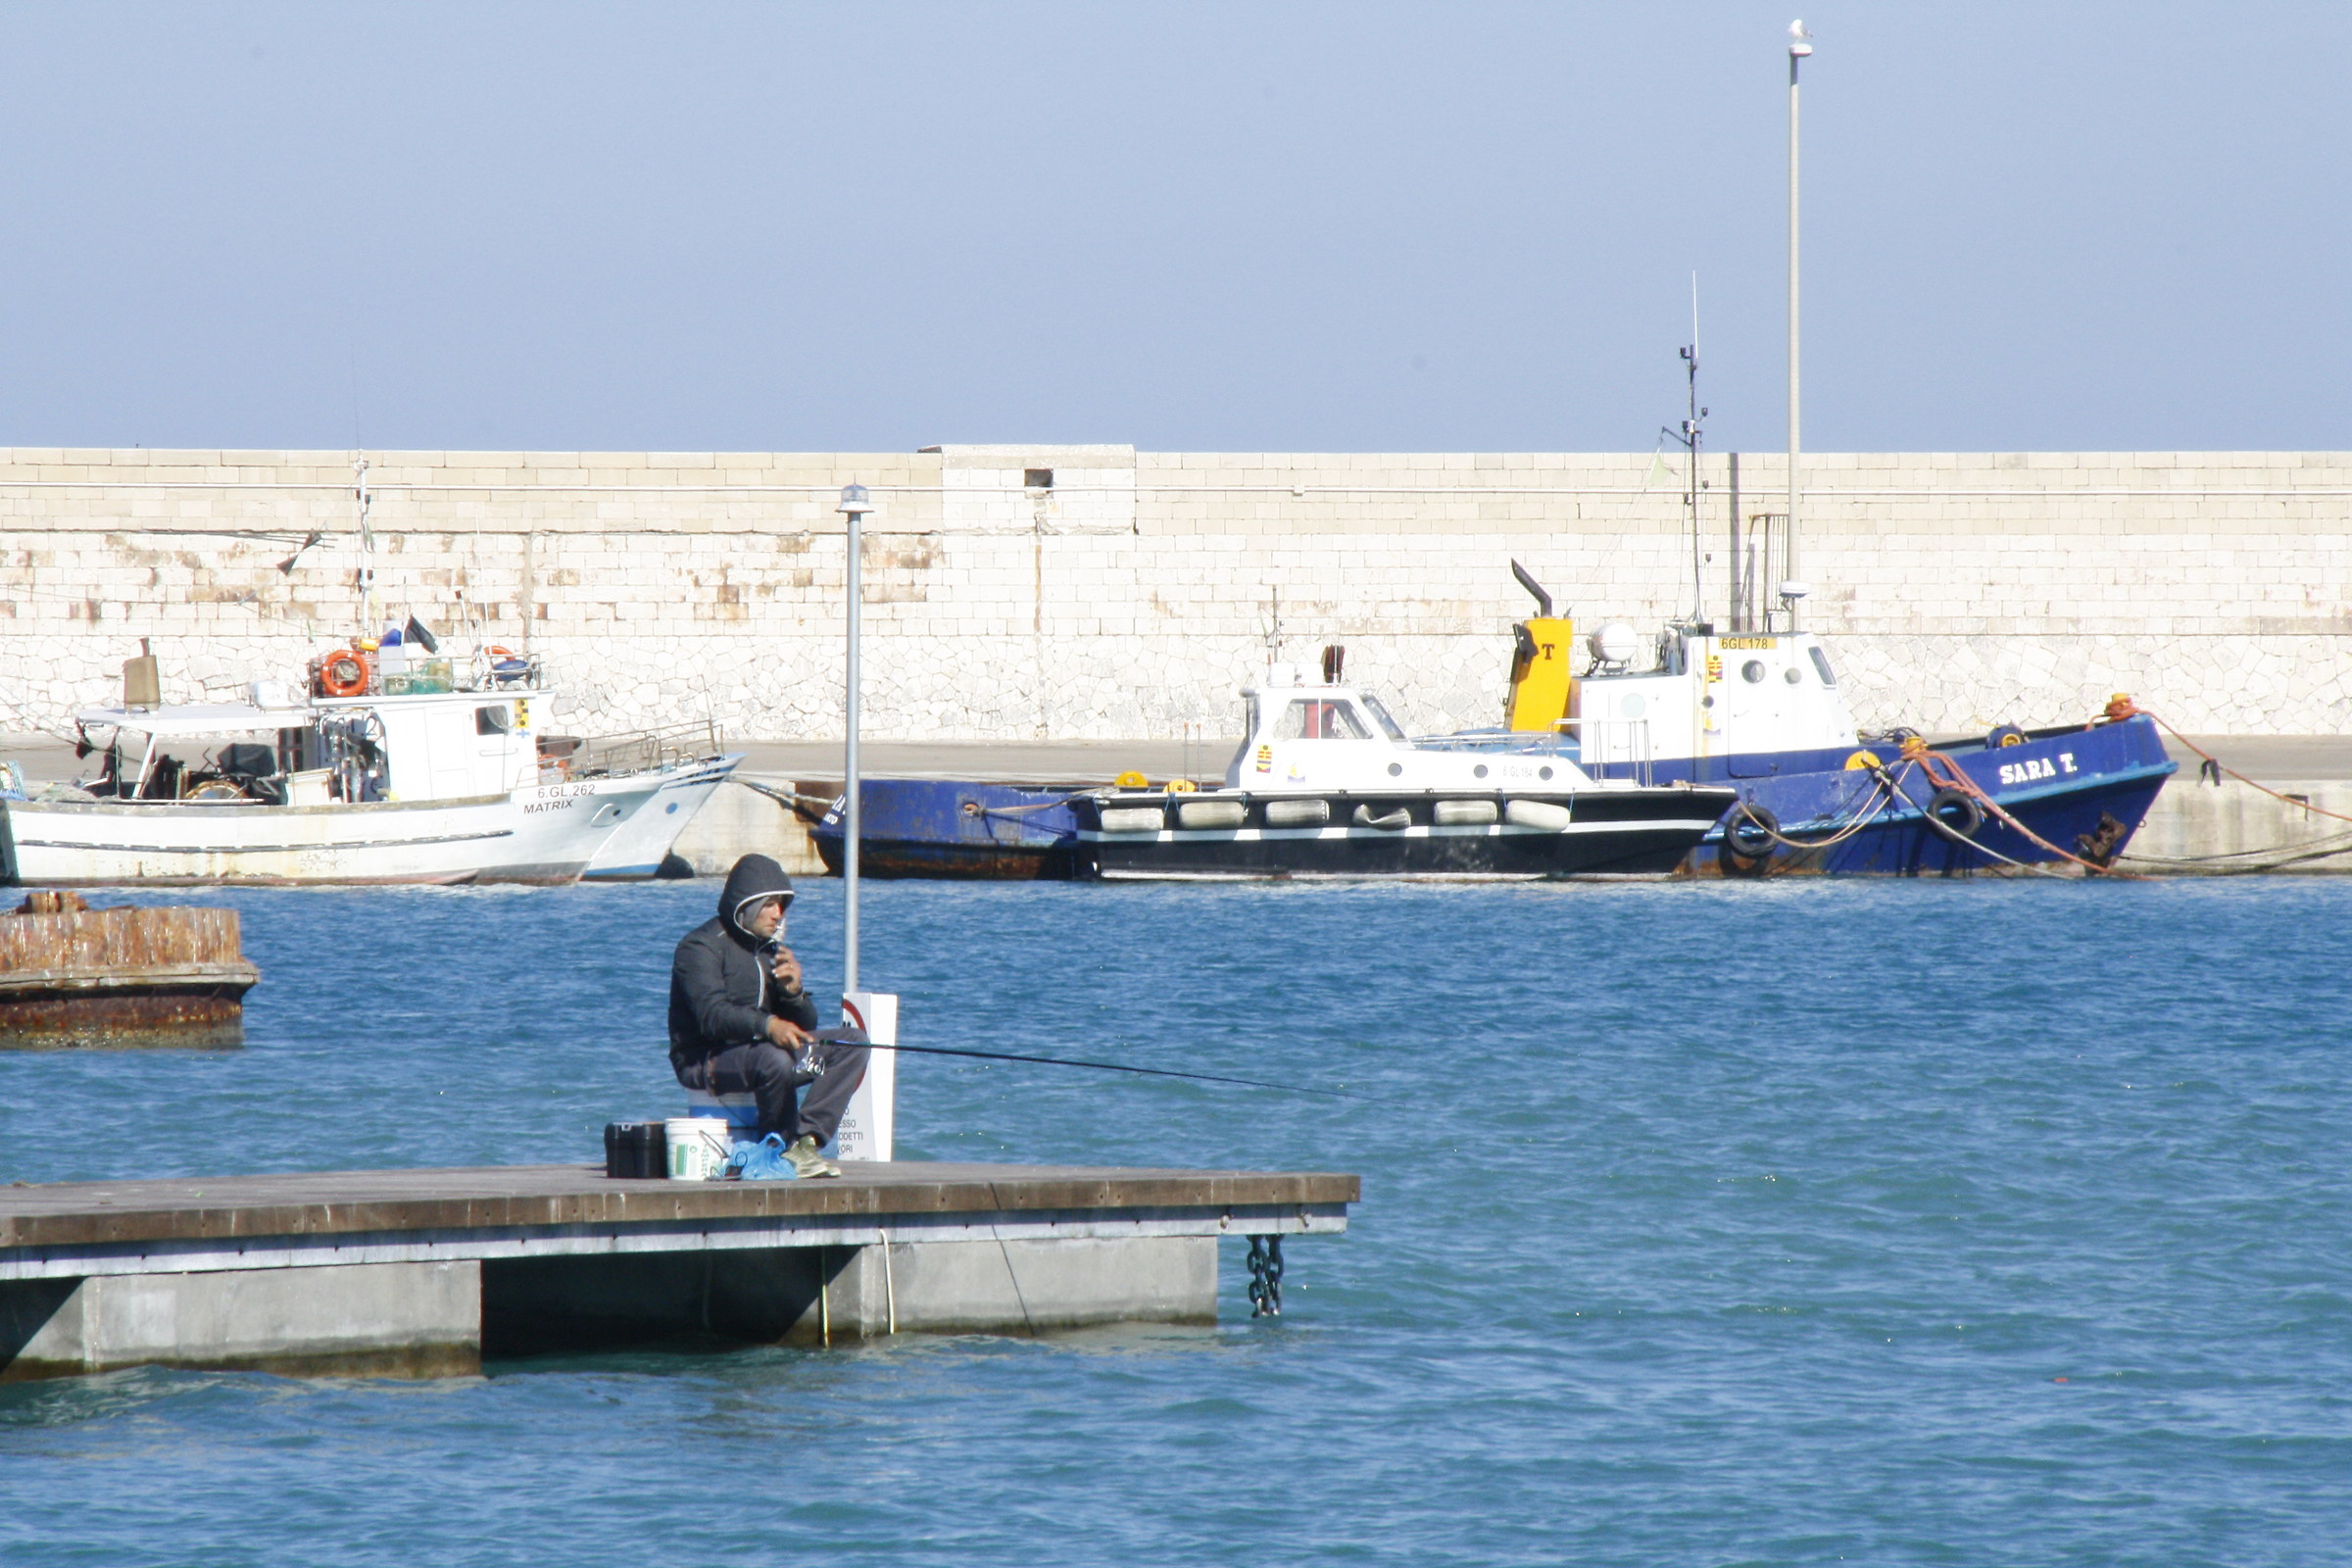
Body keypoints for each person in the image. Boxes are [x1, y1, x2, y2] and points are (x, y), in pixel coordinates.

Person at [669, 853, 870, 1179]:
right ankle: (781, 1146)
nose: (778, 915)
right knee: (773, 1058)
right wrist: (768, 1025)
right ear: (744, 905)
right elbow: (711, 1016)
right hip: (704, 1060)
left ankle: (806, 1140)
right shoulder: (699, 947)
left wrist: (794, 993)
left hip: (765, 1055)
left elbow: (805, 1027)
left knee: (852, 1044)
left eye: (782, 905)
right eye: (769, 904)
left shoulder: (770, 951)